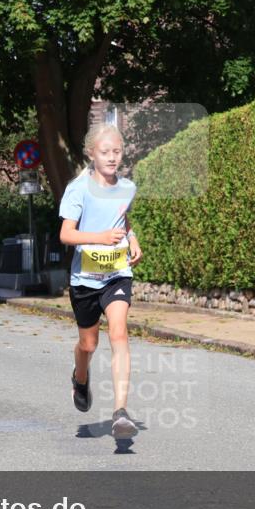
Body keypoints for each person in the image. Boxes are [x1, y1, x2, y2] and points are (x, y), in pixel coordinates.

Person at [58, 123, 143, 450]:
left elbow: (122, 219)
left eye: (117, 152)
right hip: (85, 281)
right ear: (91, 154)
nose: (112, 157)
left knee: (119, 333)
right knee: (89, 346)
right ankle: (80, 379)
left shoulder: (128, 188)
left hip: (117, 273)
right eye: (105, 152)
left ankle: (120, 412)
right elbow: (67, 234)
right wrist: (100, 238)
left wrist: (131, 238)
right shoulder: (78, 189)